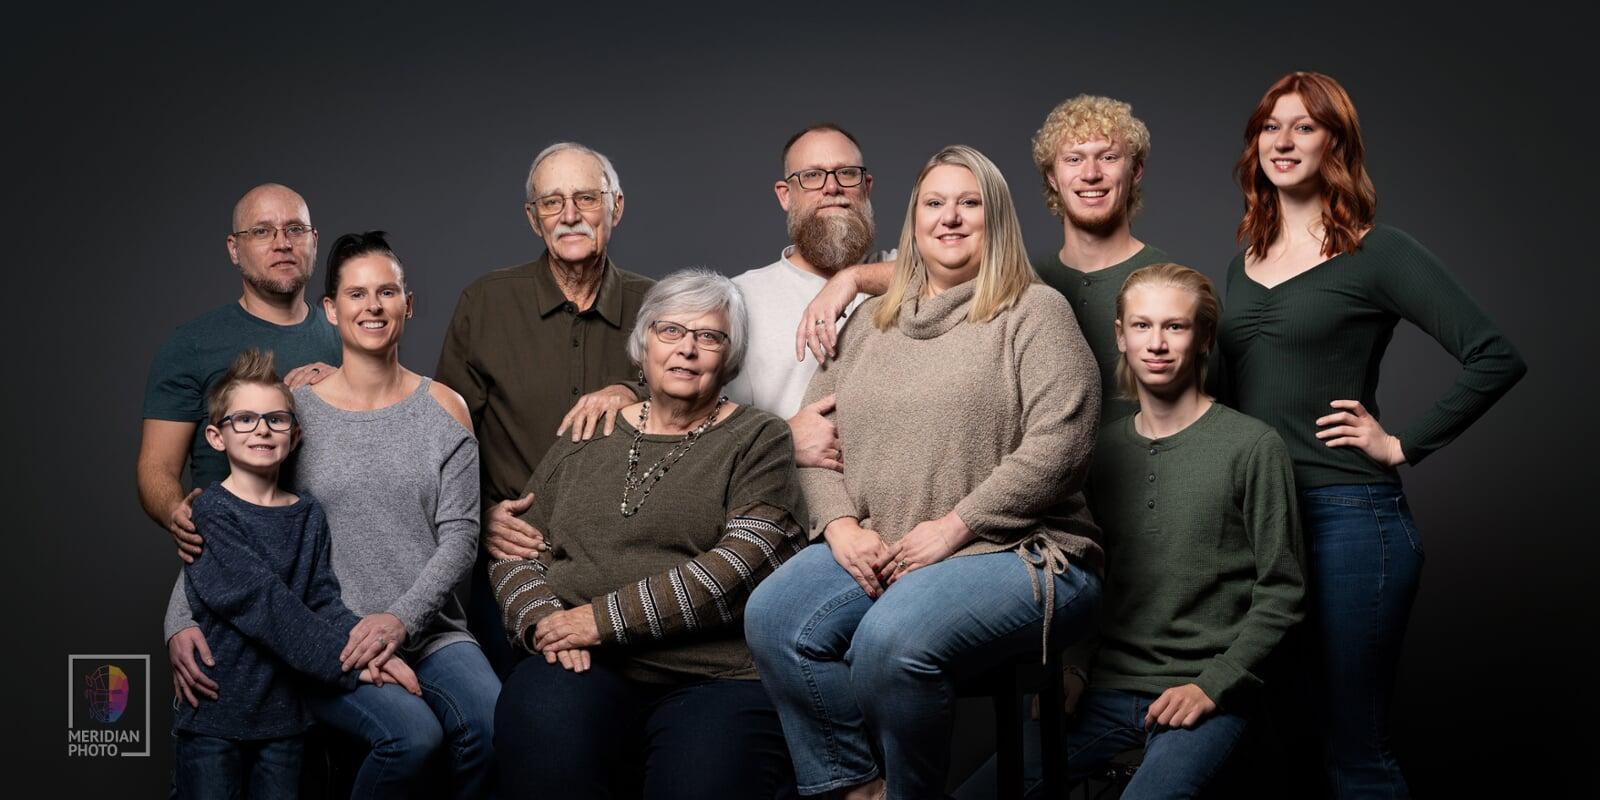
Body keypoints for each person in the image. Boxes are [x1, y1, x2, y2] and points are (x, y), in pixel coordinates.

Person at [744, 145, 1104, 800]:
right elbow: (816, 439)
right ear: (913, 221)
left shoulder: (1034, 311)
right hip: (887, 542)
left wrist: (954, 528)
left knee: (890, 640)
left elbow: (1062, 444)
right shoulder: (869, 323)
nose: (950, 217)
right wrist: (842, 527)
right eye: (934, 204)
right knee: (776, 617)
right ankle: (858, 789)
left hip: (1017, 550)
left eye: (969, 203)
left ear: (996, 218)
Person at [1216, 71, 1526, 797]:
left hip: (1348, 520)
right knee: (1283, 748)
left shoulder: (1377, 251)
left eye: (1304, 126)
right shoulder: (1241, 265)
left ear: (1335, 143)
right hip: (1260, 525)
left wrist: (1401, 444)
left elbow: (1496, 357)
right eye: (1270, 127)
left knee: (1354, 752)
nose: (1283, 141)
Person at [167, 232, 499, 798]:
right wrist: (179, 618)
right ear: (331, 308)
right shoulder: (294, 414)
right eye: (356, 294)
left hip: (429, 631)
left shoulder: (446, 410)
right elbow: (239, 516)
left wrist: (401, 620)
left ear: (408, 304)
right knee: (411, 741)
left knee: (490, 727)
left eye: (387, 292)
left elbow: (462, 539)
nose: (373, 307)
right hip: (325, 634)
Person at [958, 263, 1306, 799]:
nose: (1157, 343)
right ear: (1121, 336)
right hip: (1104, 689)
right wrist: (1073, 669)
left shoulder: (1253, 447)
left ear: (1204, 337)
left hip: (1205, 689)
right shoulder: (1097, 452)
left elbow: (1283, 592)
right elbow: (1083, 573)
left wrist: (1214, 685)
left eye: (1175, 326)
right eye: (1142, 326)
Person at [491, 268, 806, 799]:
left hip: (712, 677)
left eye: (709, 337)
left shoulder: (759, 438)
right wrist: (544, 621)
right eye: (671, 331)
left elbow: (737, 567)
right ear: (643, 345)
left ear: (729, 357)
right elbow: (515, 548)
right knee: (541, 738)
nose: (687, 349)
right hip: (580, 661)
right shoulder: (591, 431)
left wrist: (599, 621)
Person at [790, 96, 1167, 424]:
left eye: (1108, 157)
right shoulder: (1029, 279)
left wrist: (853, 277)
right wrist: (850, 279)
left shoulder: (1164, 282)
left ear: (1135, 171)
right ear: (1053, 177)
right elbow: (941, 270)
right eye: (1074, 159)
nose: (1091, 174)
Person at [437, 142, 653, 674]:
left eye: (586, 198)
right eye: (552, 202)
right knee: (527, 705)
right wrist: (480, 515)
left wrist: (635, 390)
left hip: (627, 561)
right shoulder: (485, 303)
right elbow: (442, 441)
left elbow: (703, 407)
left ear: (617, 206)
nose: (570, 215)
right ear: (534, 219)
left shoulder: (660, 307)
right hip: (514, 556)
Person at [173, 349, 419, 799]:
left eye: (276, 419)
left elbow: (322, 601)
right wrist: (351, 667)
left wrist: (372, 651)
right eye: (244, 419)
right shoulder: (210, 512)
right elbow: (264, 604)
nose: (262, 429)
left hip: (286, 721)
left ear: (295, 433)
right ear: (215, 436)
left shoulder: (308, 514)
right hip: (215, 716)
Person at [142, 183, 339, 707]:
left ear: (314, 240)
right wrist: (181, 520)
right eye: (262, 231)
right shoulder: (191, 345)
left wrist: (346, 382)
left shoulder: (350, 336)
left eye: (294, 229)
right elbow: (155, 469)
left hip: (330, 579)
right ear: (234, 248)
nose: (282, 242)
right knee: (224, 739)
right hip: (234, 584)